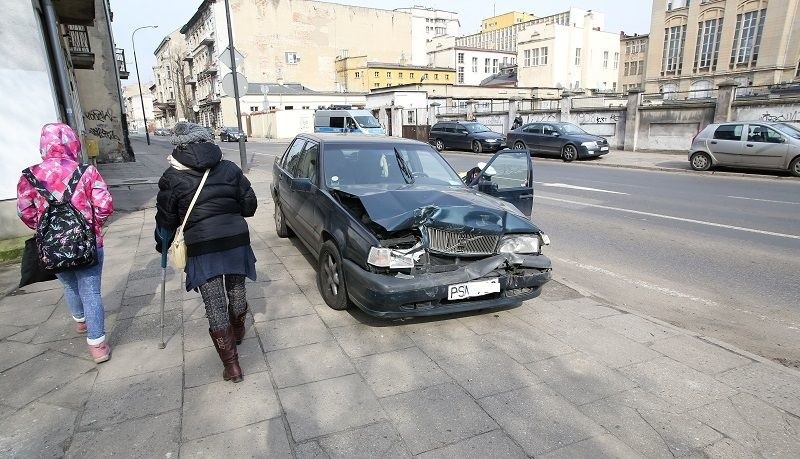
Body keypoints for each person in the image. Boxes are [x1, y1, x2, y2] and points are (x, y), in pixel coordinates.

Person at [155, 122, 257, 383]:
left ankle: (232, 366)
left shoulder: (172, 176)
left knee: (214, 304)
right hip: (235, 239)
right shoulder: (229, 168)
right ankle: (238, 329)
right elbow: (250, 206)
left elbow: (166, 220)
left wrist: (163, 244)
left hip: (202, 246)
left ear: (180, 146)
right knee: (237, 292)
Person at [16, 123, 115, 363]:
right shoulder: (86, 172)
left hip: (52, 245)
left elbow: (24, 211)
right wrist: (93, 226)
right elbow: (105, 205)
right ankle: (98, 345)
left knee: (70, 286)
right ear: (73, 142)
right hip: (88, 242)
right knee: (90, 291)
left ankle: (80, 321)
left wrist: (44, 228)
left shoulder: (29, 176)